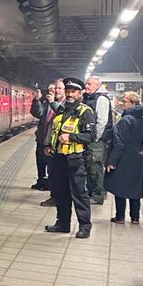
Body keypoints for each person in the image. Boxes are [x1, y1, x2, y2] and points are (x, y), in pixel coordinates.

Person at [44, 77, 96, 239]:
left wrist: (72, 137)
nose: (70, 94)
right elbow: (55, 131)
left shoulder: (85, 112)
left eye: (73, 91)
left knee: (79, 194)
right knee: (61, 192)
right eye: (68, 92)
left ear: (80, 93)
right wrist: (49, 145)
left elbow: (91, 136)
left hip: (76, 159)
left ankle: (84, 226)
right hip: (59, 158)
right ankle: (62, 223)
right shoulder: (61, 110)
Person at [105, 91, 143, 224]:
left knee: (120, 187)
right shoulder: (141, 119)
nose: (122, 103)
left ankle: (120, 217)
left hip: (124, 158)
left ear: (133, 103)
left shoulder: (125, 120)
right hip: (137, 158)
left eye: (125, 101)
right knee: (134, 187)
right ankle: (135, 218)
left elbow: (119, 143)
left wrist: (112, 160)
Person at [83, 76, 113, 205]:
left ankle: (98, 195)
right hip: (91, 139)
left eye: (89, 84)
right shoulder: (91, 98)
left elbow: (102, 122)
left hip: (97, 141)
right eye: (86, 83)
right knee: (90, 167)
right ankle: (93, 193)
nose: (86, 86)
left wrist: (95, 138)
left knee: (95, 167)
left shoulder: (101, 99)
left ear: (97, 85)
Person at [39, 79, 66, 207]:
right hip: (52, 143)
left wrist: (52, 102)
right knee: (52, 172)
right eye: (56, 88)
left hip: (62, 144)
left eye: (60, 88)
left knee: (58, 173)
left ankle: (58, 198)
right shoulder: (52, 104)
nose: (57, 91)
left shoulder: (66, 104)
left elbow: (63, 113)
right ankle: (54, 196)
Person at [29, 85, 57, 190]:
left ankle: (50, 183)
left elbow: (60, 112)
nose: (51, 92)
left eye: (54, 89)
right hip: (41, 138)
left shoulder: (60, 105)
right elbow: (38, 113)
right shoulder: (45, 104)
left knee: (51, 164)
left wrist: (53, 102)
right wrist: (37, 100)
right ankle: (41, 180)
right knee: (40, 161)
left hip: (51, 141)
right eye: (49, 90)